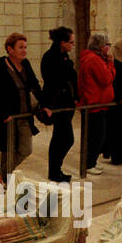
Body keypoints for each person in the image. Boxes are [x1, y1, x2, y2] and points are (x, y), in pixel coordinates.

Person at [0, 33, 44, 183]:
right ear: (10, 49)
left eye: (25, 47)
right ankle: (6, 181)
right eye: (20, 47)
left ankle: (0, 173)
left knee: (25, 150)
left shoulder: (26, 65)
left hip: (24, 117)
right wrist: (3, 113)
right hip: (7, 118)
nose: (24, 50)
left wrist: (45, 104)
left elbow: (35, 86)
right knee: (7, 151)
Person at [39, 26, 78, 183]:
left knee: (63, 137)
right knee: (65, 138)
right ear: (62, 42)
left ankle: (56, 170)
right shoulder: (50, 57)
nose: (72, 45)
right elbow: (55, 80)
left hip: (67, 102)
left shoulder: (64, 57)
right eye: (71, 42)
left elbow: (71, 78)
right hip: (56, 103)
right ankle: (54, 171)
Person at [78, 33, 115, 176]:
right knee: (95, 136)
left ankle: (92, 161)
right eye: (107, 45)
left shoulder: (96, 58)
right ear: (100, 46)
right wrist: (111, 63)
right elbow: (106, 79)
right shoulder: (94, 59)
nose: (109, 47)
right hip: (94, 104)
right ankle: (88, 164)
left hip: (100, 103)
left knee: (99, 135)